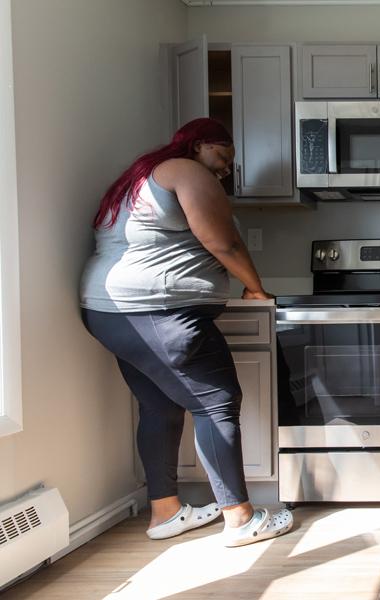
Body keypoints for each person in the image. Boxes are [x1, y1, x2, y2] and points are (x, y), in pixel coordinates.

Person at [79, 118, 292, 547]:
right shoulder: (185, 171)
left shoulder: (139, 177)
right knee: (218, 403)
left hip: (109, 311)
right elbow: (224, 241)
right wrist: (255, 287)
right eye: (222, 157)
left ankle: (166, 512)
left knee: (158, 406)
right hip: (159, 311)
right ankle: (240, 518)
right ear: (198, 145)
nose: (225, 170)